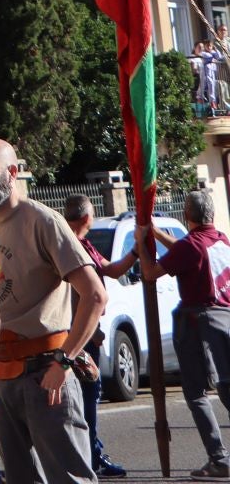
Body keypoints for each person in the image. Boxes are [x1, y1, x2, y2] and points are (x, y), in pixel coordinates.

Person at [0, 138, 104, 484]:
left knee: (69, 478)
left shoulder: (43, 221)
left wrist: (65, 360)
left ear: (12, 173)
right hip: (2, 376)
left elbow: (95, 295)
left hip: (46, 374)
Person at [140, 186, 230, 478]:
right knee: (228, 389)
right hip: (226, 318)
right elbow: (185, 249)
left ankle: (219, 458)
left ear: (185, 214)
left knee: (196, 392)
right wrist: (157, 234)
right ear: (212, 214)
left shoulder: (190, 247)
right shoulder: (222, 240)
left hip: (198, 321)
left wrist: (143, 244)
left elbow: (151, 273)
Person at [62, 196, 131, 478]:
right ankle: (89, 456)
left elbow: (112, 270)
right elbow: (77, 297)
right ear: (86, 218)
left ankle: (92, 452)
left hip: (87, 333)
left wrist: (136, 251)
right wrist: (93, 329)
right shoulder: (69, 246)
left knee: (89, 395)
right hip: (78, 337)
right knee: (86, 396)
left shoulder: (85, 244)